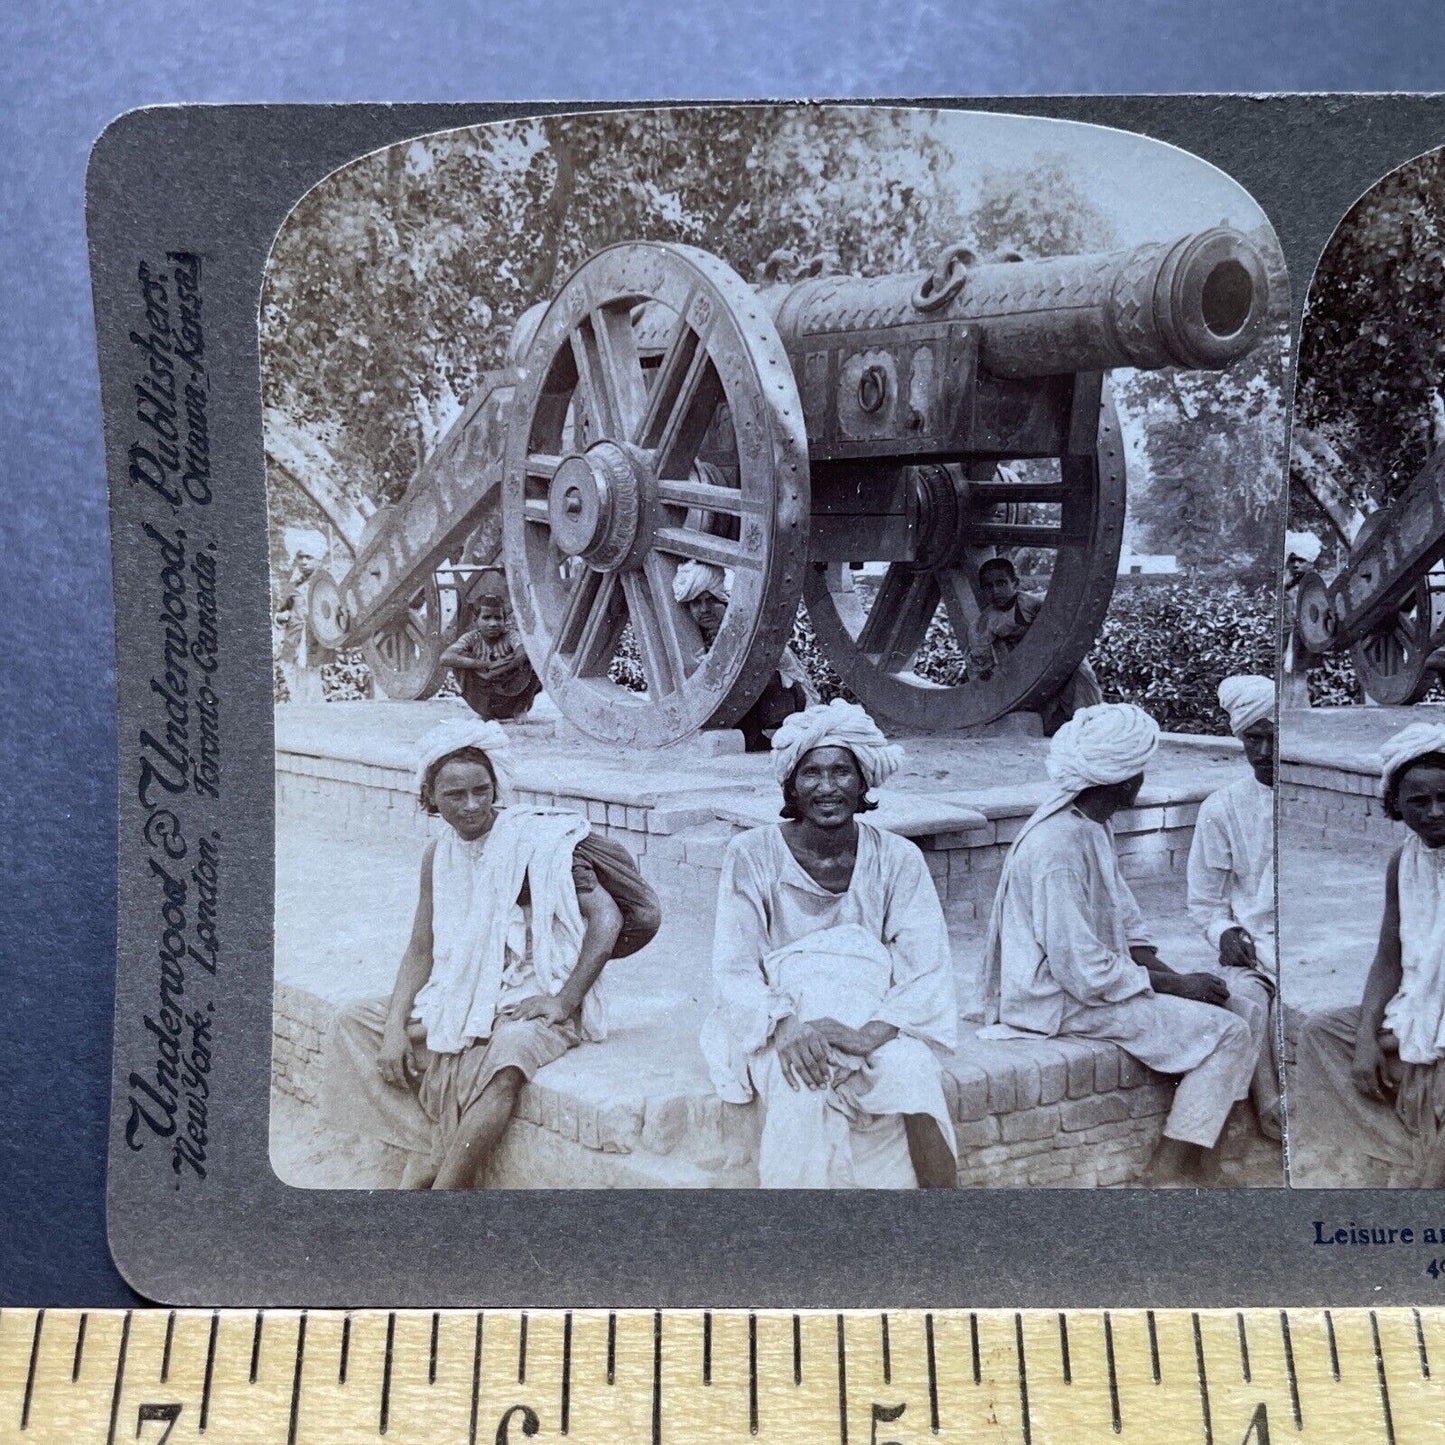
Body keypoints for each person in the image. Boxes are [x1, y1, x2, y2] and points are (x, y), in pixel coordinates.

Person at [323, 719, 660, 1188]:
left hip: (534, 990)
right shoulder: (438, 854)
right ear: (430, 799)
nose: (472, 805)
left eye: (482, 790)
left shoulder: (534, 843)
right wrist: (394, 1030)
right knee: (354, 1023)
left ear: (495, 786)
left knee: (508, 1054)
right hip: (460, 991)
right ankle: (430, 1145)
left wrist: (563, 1001)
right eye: (455, 796)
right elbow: (422, 949)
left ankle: (448, 1185)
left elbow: (607, 918)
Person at [979, 702, 1255, 1185]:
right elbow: (1080, 970)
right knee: (1227, 1032)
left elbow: (1127, 927)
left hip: (1087, 987)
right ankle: (1170, 1168)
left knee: (1240, 1009)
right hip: (1051, 1000)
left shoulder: (1092, 826)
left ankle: (1206, 1154)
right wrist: (1174, 986)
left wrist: (1179, 978)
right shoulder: (1056, 847)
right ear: (1126, 780)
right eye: (1140, 770)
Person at [701, 699, 959, 1188]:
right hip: (782, 1017)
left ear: (864, 783)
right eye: (811, 774)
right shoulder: (751, 854)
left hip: (868, 1014)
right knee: (803, 1083)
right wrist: (785, 1027)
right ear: (791, 786)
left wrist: (868, 1035)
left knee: (915, 1070)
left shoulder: (898, 859)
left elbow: (925, 969)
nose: (827, 787)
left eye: (841, 772)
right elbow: (734, 968)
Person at [1292, 723, 1445, 1186]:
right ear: (1395, 805)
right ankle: (1396, 1153)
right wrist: (1364, 1040)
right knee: (1322, 1033)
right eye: (1419, 801)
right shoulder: (1405, 860)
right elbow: (1388, 958)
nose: (1436, 811)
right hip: (1419, 1010)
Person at [1185, 675, 1282, 1140]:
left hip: (1308, 945)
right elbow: (1205, 902)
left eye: (1274, 737)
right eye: (1253, 739)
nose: (1263, 752)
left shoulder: (1317, 797)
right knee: (1246, 1000)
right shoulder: (1222, 808)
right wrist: (1223, 931)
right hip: (1255, 946)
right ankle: (1271, 1109)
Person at [673, 560, 818, 751]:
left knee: (764, 676)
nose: (704, 609)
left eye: (711, 600)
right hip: (741, 718)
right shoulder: (699, 638)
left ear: (727, 601)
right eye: (696, 603)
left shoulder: (746, 632)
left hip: (780, 714)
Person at [966, 555, 1103, 735]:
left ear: (1015, 583)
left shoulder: (1033, 603)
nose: (995, 591)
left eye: (1001, 584)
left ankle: (1092, 730)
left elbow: (1063, 622)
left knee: (1082, 696)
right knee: (1046, 711)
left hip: (1058, 659)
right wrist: (985, 673)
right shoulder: (985, 622)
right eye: (988, 587)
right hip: (1026, 668)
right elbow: (979, 654)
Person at [440, 569, 543, 721]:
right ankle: (485, 712)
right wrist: (485, 664)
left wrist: (501, 667)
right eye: (487, 618)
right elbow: (445, 658)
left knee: (533, 658)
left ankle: (520, 709)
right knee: (461, 658)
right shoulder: (472, 637)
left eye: (498, 618)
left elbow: (522, 651)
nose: (493, 623)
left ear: (504, 620)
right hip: (484, 698)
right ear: (476, 621)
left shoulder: (509, 635)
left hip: (512, 696)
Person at [274, 528, 333, 704]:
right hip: (294, 637)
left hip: (314, 639)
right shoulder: (293, 585)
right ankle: (299, 711)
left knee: (313, 677)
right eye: (300, 557)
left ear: (318, 559)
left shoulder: (325, 581)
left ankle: (314, 715)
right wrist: (281, 616)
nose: (304, 561)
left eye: (309, 557)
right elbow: (280, 610)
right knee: (291, 672)